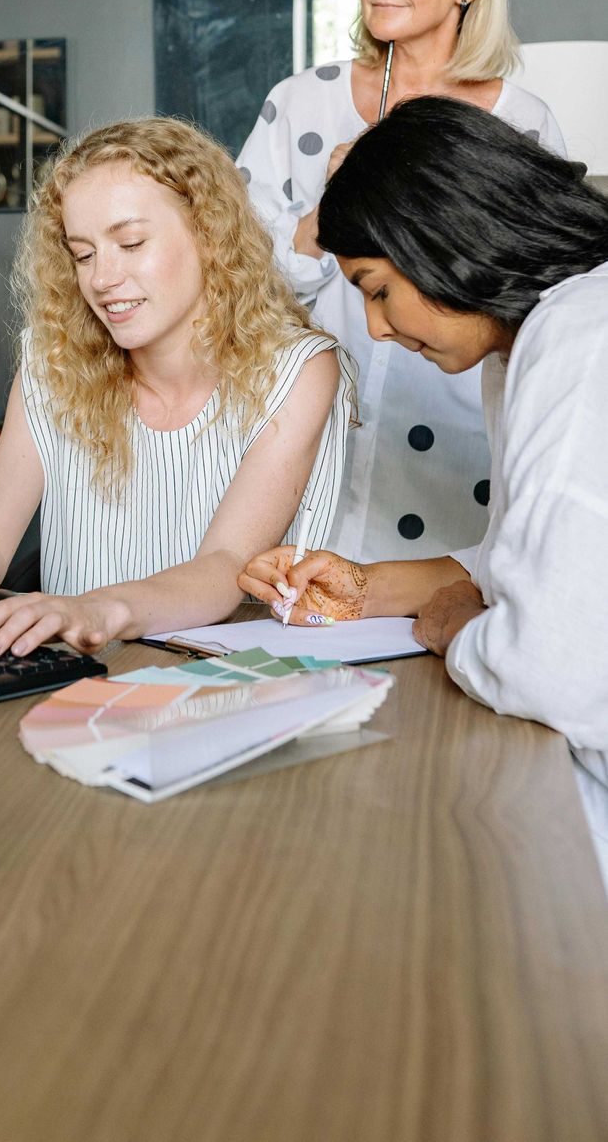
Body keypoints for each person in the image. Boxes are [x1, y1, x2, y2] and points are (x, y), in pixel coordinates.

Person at [240, 97, 608, 880]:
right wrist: (370, 587)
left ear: (439, 237)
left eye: (377, 288)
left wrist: (453, 630)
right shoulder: (536, 340)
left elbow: (549, 665)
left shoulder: (581, 345)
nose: (375, 328)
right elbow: (545, 550)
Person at [0, 117, 354, 655]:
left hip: (228, 690)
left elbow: (228, 566)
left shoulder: (299, 369)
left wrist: (95, 609)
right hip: (77, 683)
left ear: (210, 235)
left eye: (131, 242)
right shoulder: (53, 363)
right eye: (84, 253)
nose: (101, 279)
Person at [236, 0, 565, 563]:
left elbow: (543, 307)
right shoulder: (301, 103)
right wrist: (327, 213)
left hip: (456, 447)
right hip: (308, 435)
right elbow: (234, 282)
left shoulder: (519, 122)